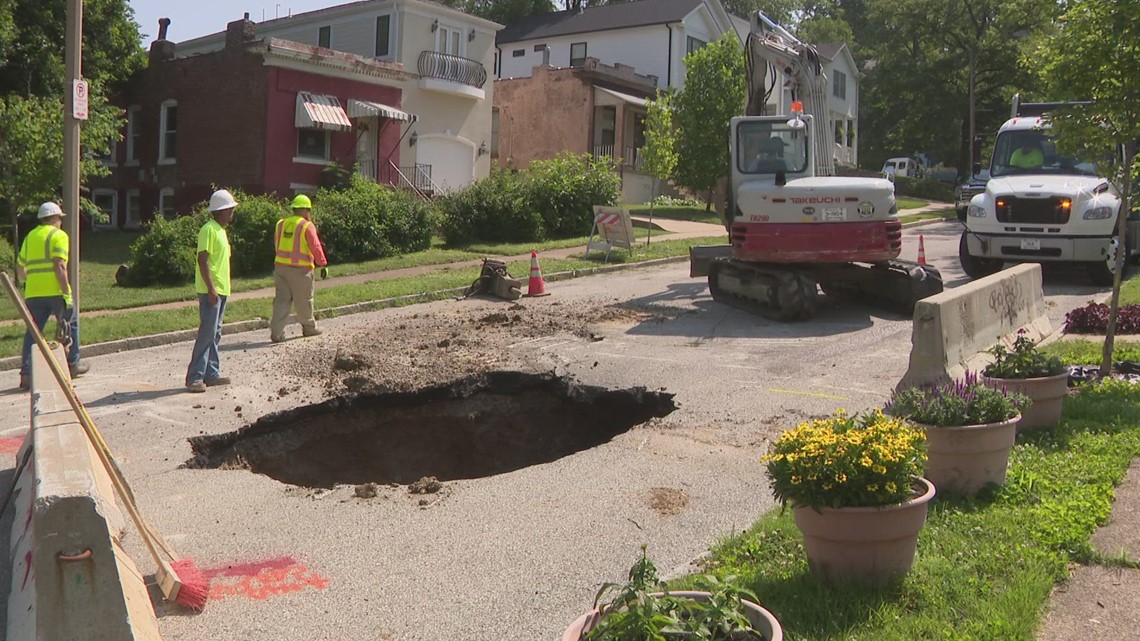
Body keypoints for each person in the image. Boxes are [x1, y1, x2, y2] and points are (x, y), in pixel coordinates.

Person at [16, 202, 88, 390]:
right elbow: (59, 265)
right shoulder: (59, 236)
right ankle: (73, 364)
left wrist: (30, 281)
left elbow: (20, 267)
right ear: (56, 218)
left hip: (33, 293)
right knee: (69, 325)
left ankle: (26, 374)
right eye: (60, 219)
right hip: (56, 292)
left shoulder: (30, 236)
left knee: (33, 333)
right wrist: (66, 291)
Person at [185, 189, 236, 393]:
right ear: (222, 211)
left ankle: (211, 374)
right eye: (230, 209)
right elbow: (202, 259)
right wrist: (211, 288)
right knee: (207, 333)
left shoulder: (220, 230)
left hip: (221, 290)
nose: (232, 211)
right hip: (211, 291)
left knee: (215, 333)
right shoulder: (208, 230)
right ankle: (194, 377)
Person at [269, 194, 328, 343]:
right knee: (304, 300)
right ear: (304, 210)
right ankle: (309, 328)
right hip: (301, 270)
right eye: (308, 210)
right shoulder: (307, 226)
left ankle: (277, 333)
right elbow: (315, 247)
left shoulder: (281, 224)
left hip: (281, 268)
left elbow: (277, 244)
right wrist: (322, 263)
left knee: (281, 301)